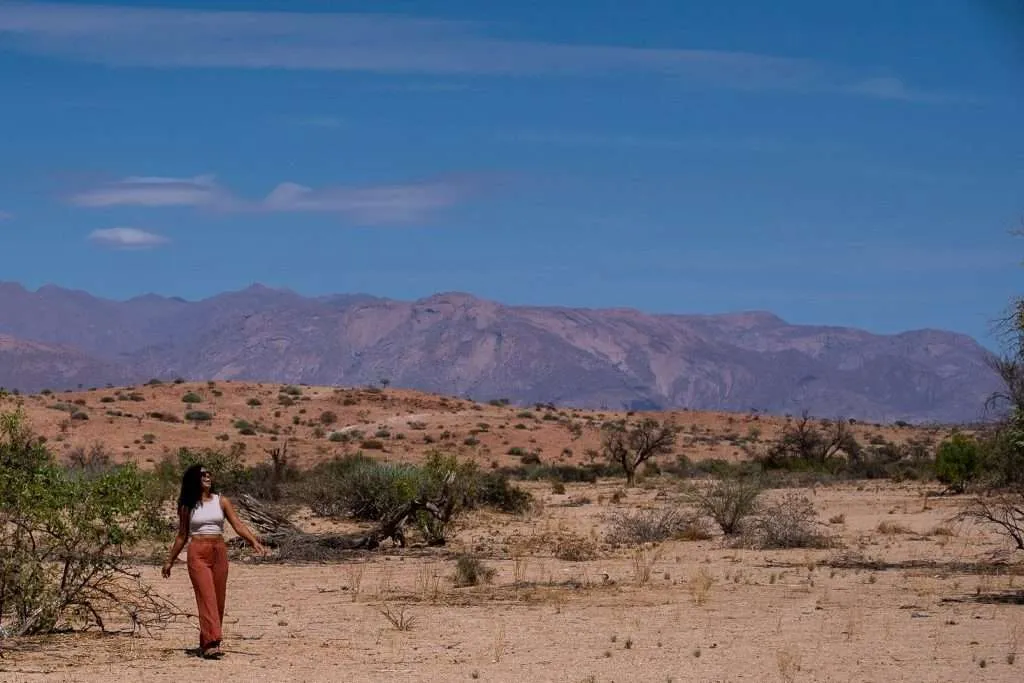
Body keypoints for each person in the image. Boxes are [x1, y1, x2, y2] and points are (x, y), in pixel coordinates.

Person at [162, 464, 267, 659]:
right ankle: (211, 642)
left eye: (209, 474)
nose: (208, 476)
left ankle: (210, 641)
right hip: (198, 553)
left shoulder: (222, 501)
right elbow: (182, 536)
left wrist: (253, 541)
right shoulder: (187, 506)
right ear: (195, 479)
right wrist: (169, 560)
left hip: (219, 551)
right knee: (206, 596)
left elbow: (237, 524)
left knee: (218, 598)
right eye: (203, 474)